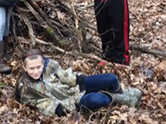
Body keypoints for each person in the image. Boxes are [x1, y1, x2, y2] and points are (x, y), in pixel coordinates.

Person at [15, 49, 143, 116]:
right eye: (31, 68)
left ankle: (122, 91)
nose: (36, 71)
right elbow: (36, 103)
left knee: (111, 78)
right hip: (71, 102)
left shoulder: (50, 66)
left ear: (43, 64)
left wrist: (78, 79)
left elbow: (63, 74)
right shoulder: (25, 86)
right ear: (25, 68)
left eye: (38, 67)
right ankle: (119, 98)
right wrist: (57, 108)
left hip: (75, 86)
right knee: (97, 100)